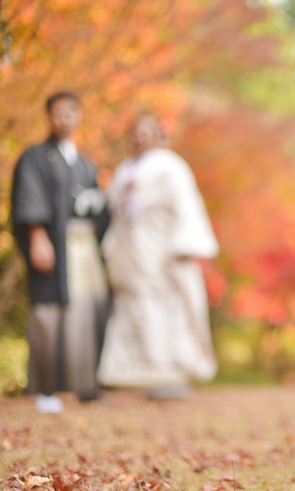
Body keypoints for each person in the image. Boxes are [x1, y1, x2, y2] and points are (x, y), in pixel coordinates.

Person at [97, 115, 219, 398]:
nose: (140, 138)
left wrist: (185, 246)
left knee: (165, 307)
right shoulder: (124, 169)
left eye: (146, 132)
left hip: (161, 250)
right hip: (131, 251)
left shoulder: (171, 166)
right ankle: (132, 372)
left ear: (158, 135)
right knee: (132, 307)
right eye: (135, 132)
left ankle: (168, 373)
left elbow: (187, 207)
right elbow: (114, 210)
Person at [11, 91, 110, 413]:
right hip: (54, 244)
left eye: (71, 112)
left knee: (87, 312)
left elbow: (100, 210)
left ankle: (86, 385)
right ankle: (45, 389)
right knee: (48, 312)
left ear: (79, 116)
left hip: (84, 249)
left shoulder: (86, 163)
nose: (65, 118)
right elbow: (29, 196)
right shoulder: (35, 157)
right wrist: (37, 235)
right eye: (58, 112)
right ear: (48, 116)